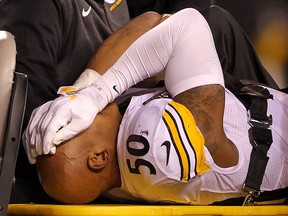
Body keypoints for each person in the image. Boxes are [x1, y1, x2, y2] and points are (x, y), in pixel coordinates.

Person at [31, 8, 288, 205]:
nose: (76, 116)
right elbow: (188, 25)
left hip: (257, 110)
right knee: (214, 23)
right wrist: (95, 95)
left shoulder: (111, 163)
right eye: (70, 126)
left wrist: (78, 92)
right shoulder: (159, 146)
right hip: (279, 129)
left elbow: (152, 22)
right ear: (98, 158)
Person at [0, 0, 214, 204]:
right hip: (81, 167)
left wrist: (89, 90)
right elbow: (28, 125)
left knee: (215, 26)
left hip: (121, 128)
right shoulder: (38, 6)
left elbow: (153, 23)